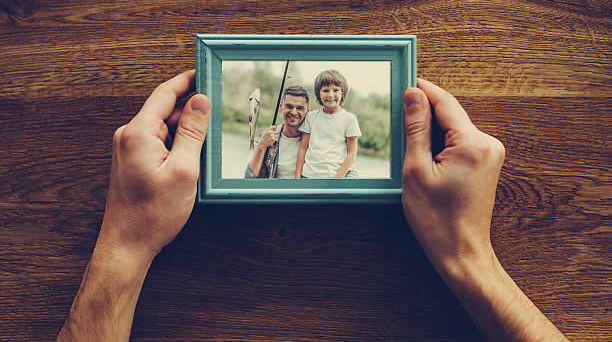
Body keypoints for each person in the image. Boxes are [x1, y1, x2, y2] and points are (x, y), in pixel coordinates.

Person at [56, 70, 568, 341]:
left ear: (329, 98)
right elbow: (253, 174)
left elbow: (332, 155)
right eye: (296, 104)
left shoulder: (330, 126)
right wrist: (260, 146)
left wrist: (122, 242)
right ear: (288, 108)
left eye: (308, 103)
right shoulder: (273, 136)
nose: (303, 109)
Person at [295, 69, 361, 179]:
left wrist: (338, 178)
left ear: (342, 93)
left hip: (337, 177)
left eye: (336, 90)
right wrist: (297, 178)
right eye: (325, 90)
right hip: (309, 176)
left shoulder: (350, 119)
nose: (330, 95)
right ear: (318, 94)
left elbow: (351, 154)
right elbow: (303, 149)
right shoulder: (311, 117)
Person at [244, 85, 309, 178]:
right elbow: (249, 179)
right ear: (281, 107)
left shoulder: (314, 140)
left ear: (307, 110)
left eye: (300, 108)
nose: (294, 112)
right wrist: (261, 146)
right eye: (289, 106)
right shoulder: (266, 137)